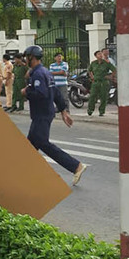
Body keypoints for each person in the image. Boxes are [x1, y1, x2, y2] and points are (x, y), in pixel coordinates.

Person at [22, 45, 87, 185]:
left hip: (42, 114)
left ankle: (76, 166)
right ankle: (23, 173)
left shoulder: (39, 74)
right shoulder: (46, 72)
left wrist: (26, 92)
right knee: (29, 146)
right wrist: (64, 111)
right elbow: (56, 92)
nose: (26, 60)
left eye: (27, 57)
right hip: (44, 113)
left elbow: (41, 93)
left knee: (43, 143)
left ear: (31, 58)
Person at [87, 50, 116, 116]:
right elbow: (89, 70)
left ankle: (102, 111)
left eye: (101, 54)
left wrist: (110, 76)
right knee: (92, 96)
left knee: (103, 97)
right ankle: (90, 109)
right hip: (95, 82)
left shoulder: (106, 63)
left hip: (104, 82)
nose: (100, 55)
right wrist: (92, 77)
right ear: (96, 56)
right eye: (99, 54)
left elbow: (114, 70)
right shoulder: (93, 63)